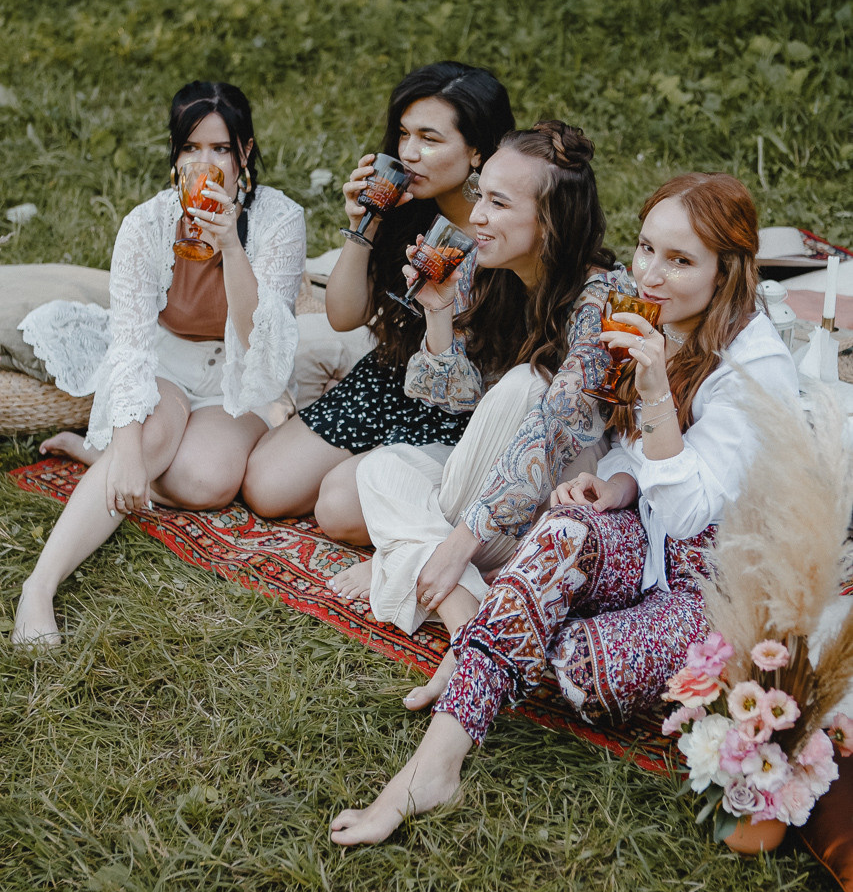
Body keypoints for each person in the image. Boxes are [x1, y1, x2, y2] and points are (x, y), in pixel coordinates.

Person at [330, 171, 801, 844]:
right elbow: (625, 450)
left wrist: (654, 393)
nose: (651, 274)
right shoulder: (651, 316)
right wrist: (616, 484)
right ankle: (432, 768)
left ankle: (491, 617)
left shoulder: (755, 368)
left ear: (726, 271)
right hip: (641, 542)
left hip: (710, 587)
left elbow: (692, 510)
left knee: (583, 670)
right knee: (562, 531)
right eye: (647, 249)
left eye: (679, 261)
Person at [331, 121, 625, 709]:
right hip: (496, 493)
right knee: (379, 469)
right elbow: (454, 399)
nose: (478, 216)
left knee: (525, 386)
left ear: (550, 221)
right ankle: (465, 612)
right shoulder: (484, 269)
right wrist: (438, 314)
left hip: (564, 494)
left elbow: (552, 430)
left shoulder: (602, 300)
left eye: (499, 203)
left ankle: (413, 560)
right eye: (479, 196)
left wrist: (457, 545)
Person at [13, 80, 306, 646]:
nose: (205, 164)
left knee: (206, 480)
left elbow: (259, 342)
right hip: (166, 361)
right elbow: (130, 346)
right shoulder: (146, 224)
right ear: (175, 154)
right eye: (191, 148)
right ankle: (39, 587)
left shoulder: (280, 220)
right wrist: (128, 446)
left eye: (220, 149)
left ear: (245, 152)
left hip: (240, 373)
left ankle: (101, 459)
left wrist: (231, 246)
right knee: (146, 442)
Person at [241, 61, 515, 536]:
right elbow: (344, 316)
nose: (408, 153)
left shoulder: (506, 227)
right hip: (393, 376)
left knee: (339, 507)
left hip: (465, 406)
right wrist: (363, 225)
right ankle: (363, 459)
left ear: (477, 151)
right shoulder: (408, 211)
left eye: (430, 139)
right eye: (404, 134)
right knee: (265, 488)